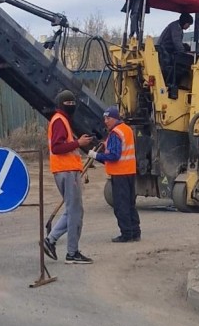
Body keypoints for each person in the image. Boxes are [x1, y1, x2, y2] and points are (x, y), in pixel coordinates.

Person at [42, 89, 94, 265]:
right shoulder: (59, 121)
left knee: (73, 211)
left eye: (73, 103)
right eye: (68, 103)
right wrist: (78, 143)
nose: (71, 106)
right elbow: (57, 147)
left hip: (66, 171)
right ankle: (72, 252)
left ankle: (50, 240)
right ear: (61, 104)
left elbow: (62, 145)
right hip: (67, 171)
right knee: (75, 212)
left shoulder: (61, 120)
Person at [89, 106, 139, 242]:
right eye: (105, 118)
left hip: (120, 173)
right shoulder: (127, 129)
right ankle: (135, 232)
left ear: (115, 118)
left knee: (121, 206)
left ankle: (126, 234)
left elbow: (114, 156)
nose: (105, 121)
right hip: (129, 172)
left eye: (108, 118)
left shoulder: (115, 133)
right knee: (130, 204)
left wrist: (96, 155)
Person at [157, 12, 194, 97]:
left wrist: (186, 48)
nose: (188, 27)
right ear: (185, 22)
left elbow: (178, 43)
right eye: (188, 24)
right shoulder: (176, 28)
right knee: (179, 66)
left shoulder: (177, 27)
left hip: (168, 50)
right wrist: (185, 53)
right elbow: (177, 43)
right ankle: (172, 83)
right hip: (164, 51)